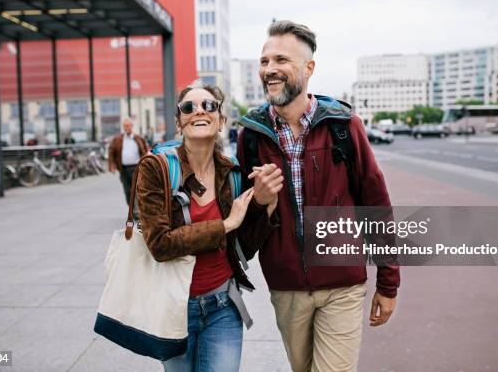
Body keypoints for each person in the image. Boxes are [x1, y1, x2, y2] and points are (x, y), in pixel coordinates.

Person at [236, 20, 401, 372]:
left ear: (309, 68)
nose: (269, 69)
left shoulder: (343, 125)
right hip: (286, 289)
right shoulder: (251, 136)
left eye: (281, 59)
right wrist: (262, 204)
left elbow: (377, 205)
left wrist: (388, 283)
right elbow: (243, 235)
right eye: (264, 61)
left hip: (342, 284)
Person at [136, 85, 280, 371]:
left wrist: (266, 205)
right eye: (188, 107)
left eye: (209, 105)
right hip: (175, 307)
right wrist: (225, 224)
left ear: (221, 119)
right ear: (179, 121)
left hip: (223, 306)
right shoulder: (156, 168)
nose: (199, 110)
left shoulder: (233, 170)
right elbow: (160, 245)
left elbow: (243, 250)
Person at [108, 118, 149, 209]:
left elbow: (145, 151)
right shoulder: (117, 139)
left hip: (137, 168)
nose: (126, 128)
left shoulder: (138, 138)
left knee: (137, 190)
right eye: (125, 126)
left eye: (128, 126)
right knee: (128, 191)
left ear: (132, 126)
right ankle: (132, 207)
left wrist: (146, 165)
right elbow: (111, 152)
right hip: (123, 169)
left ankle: (136, 212)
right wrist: (112, 166)